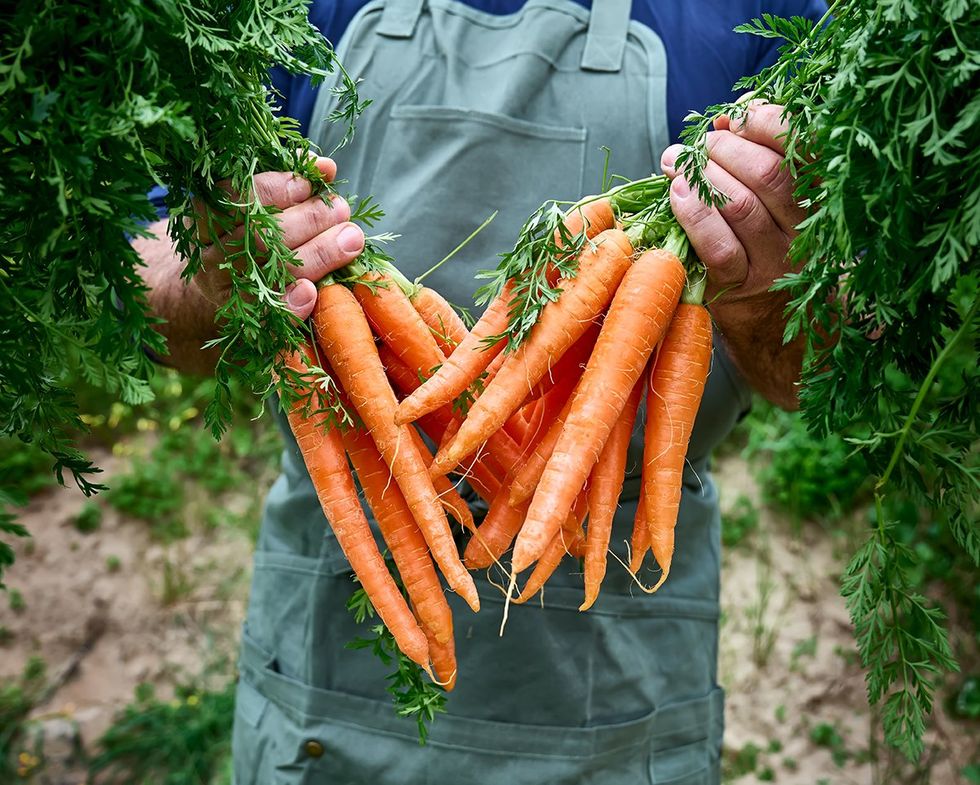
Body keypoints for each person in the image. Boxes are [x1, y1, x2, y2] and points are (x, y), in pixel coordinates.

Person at [135, 1, 826, 782]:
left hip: (619, 685)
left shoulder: (762, 19)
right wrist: (214, 280)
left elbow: (815, 373)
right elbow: (141, 280)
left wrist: (765, 288)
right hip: (328, 665)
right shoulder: (258, 19)